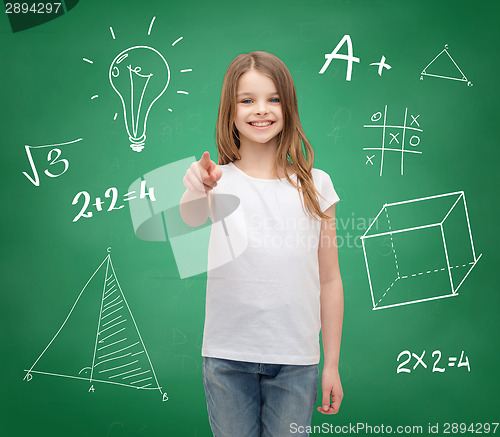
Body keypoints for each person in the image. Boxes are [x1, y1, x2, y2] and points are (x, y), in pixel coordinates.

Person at [180, 51, 343, 437]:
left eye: (273, 99)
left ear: (288, 106)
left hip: (297, 360)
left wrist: (331, 364)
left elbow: (330, 280)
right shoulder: (216, 180)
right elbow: (189, 217)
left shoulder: (315, 185)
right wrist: (195, 185)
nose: (261, 110)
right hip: (227, 359)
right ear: (231, 110)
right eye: (247, 100)